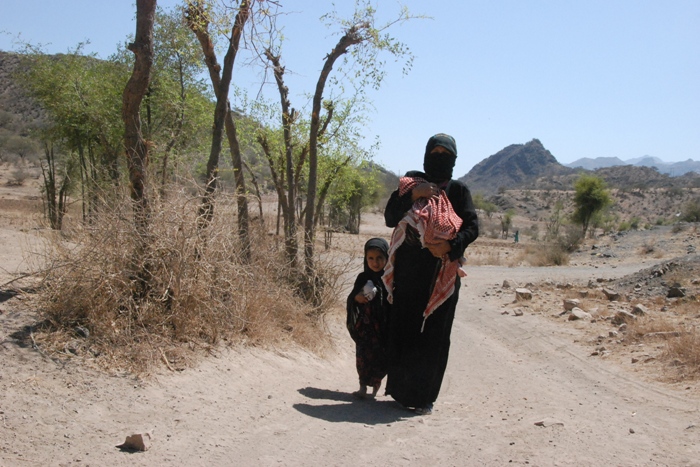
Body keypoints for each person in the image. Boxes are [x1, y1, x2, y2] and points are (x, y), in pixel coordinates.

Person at [382, 133, 479, 415]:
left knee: (436, 333)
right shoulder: (412, 182)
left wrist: (451, 245)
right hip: (409, 269)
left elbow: (472, 227)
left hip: (442, 267)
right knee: (404, 325)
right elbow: (390, 217)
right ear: (425, 155)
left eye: (444, 154)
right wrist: (415, 194)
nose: (439, 158)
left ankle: (424, 396)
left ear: (453, 160)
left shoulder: (459, 191)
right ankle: (400, 390)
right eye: (434, 153)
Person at [346, 237, 390, 399]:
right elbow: (352, 299)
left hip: (383, 328)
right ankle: (362, 387)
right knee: (362, 357)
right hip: (365, 328)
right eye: (370, 258)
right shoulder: (362, 278)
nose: (375, 262)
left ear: (387, 258)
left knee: (380, 358)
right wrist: (357, 298)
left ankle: (375, 388)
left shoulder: (390, 278)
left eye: (379, 258)